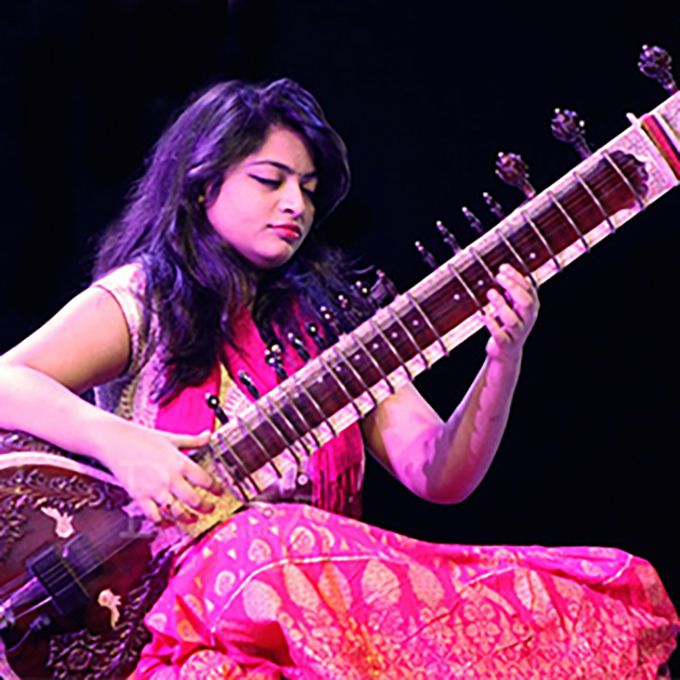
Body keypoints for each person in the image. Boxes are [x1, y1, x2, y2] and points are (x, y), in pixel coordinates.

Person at [0, 78, 677, 678]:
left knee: (569, 602)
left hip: (312, 631)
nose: (295, 203)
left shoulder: (333, 331)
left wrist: (504, 358)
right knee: (252, 544)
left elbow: (437, 474)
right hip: (165, 621)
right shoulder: (146, 301)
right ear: (204, 185)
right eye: (270, 180)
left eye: (308, 188)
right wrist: (119, 443)